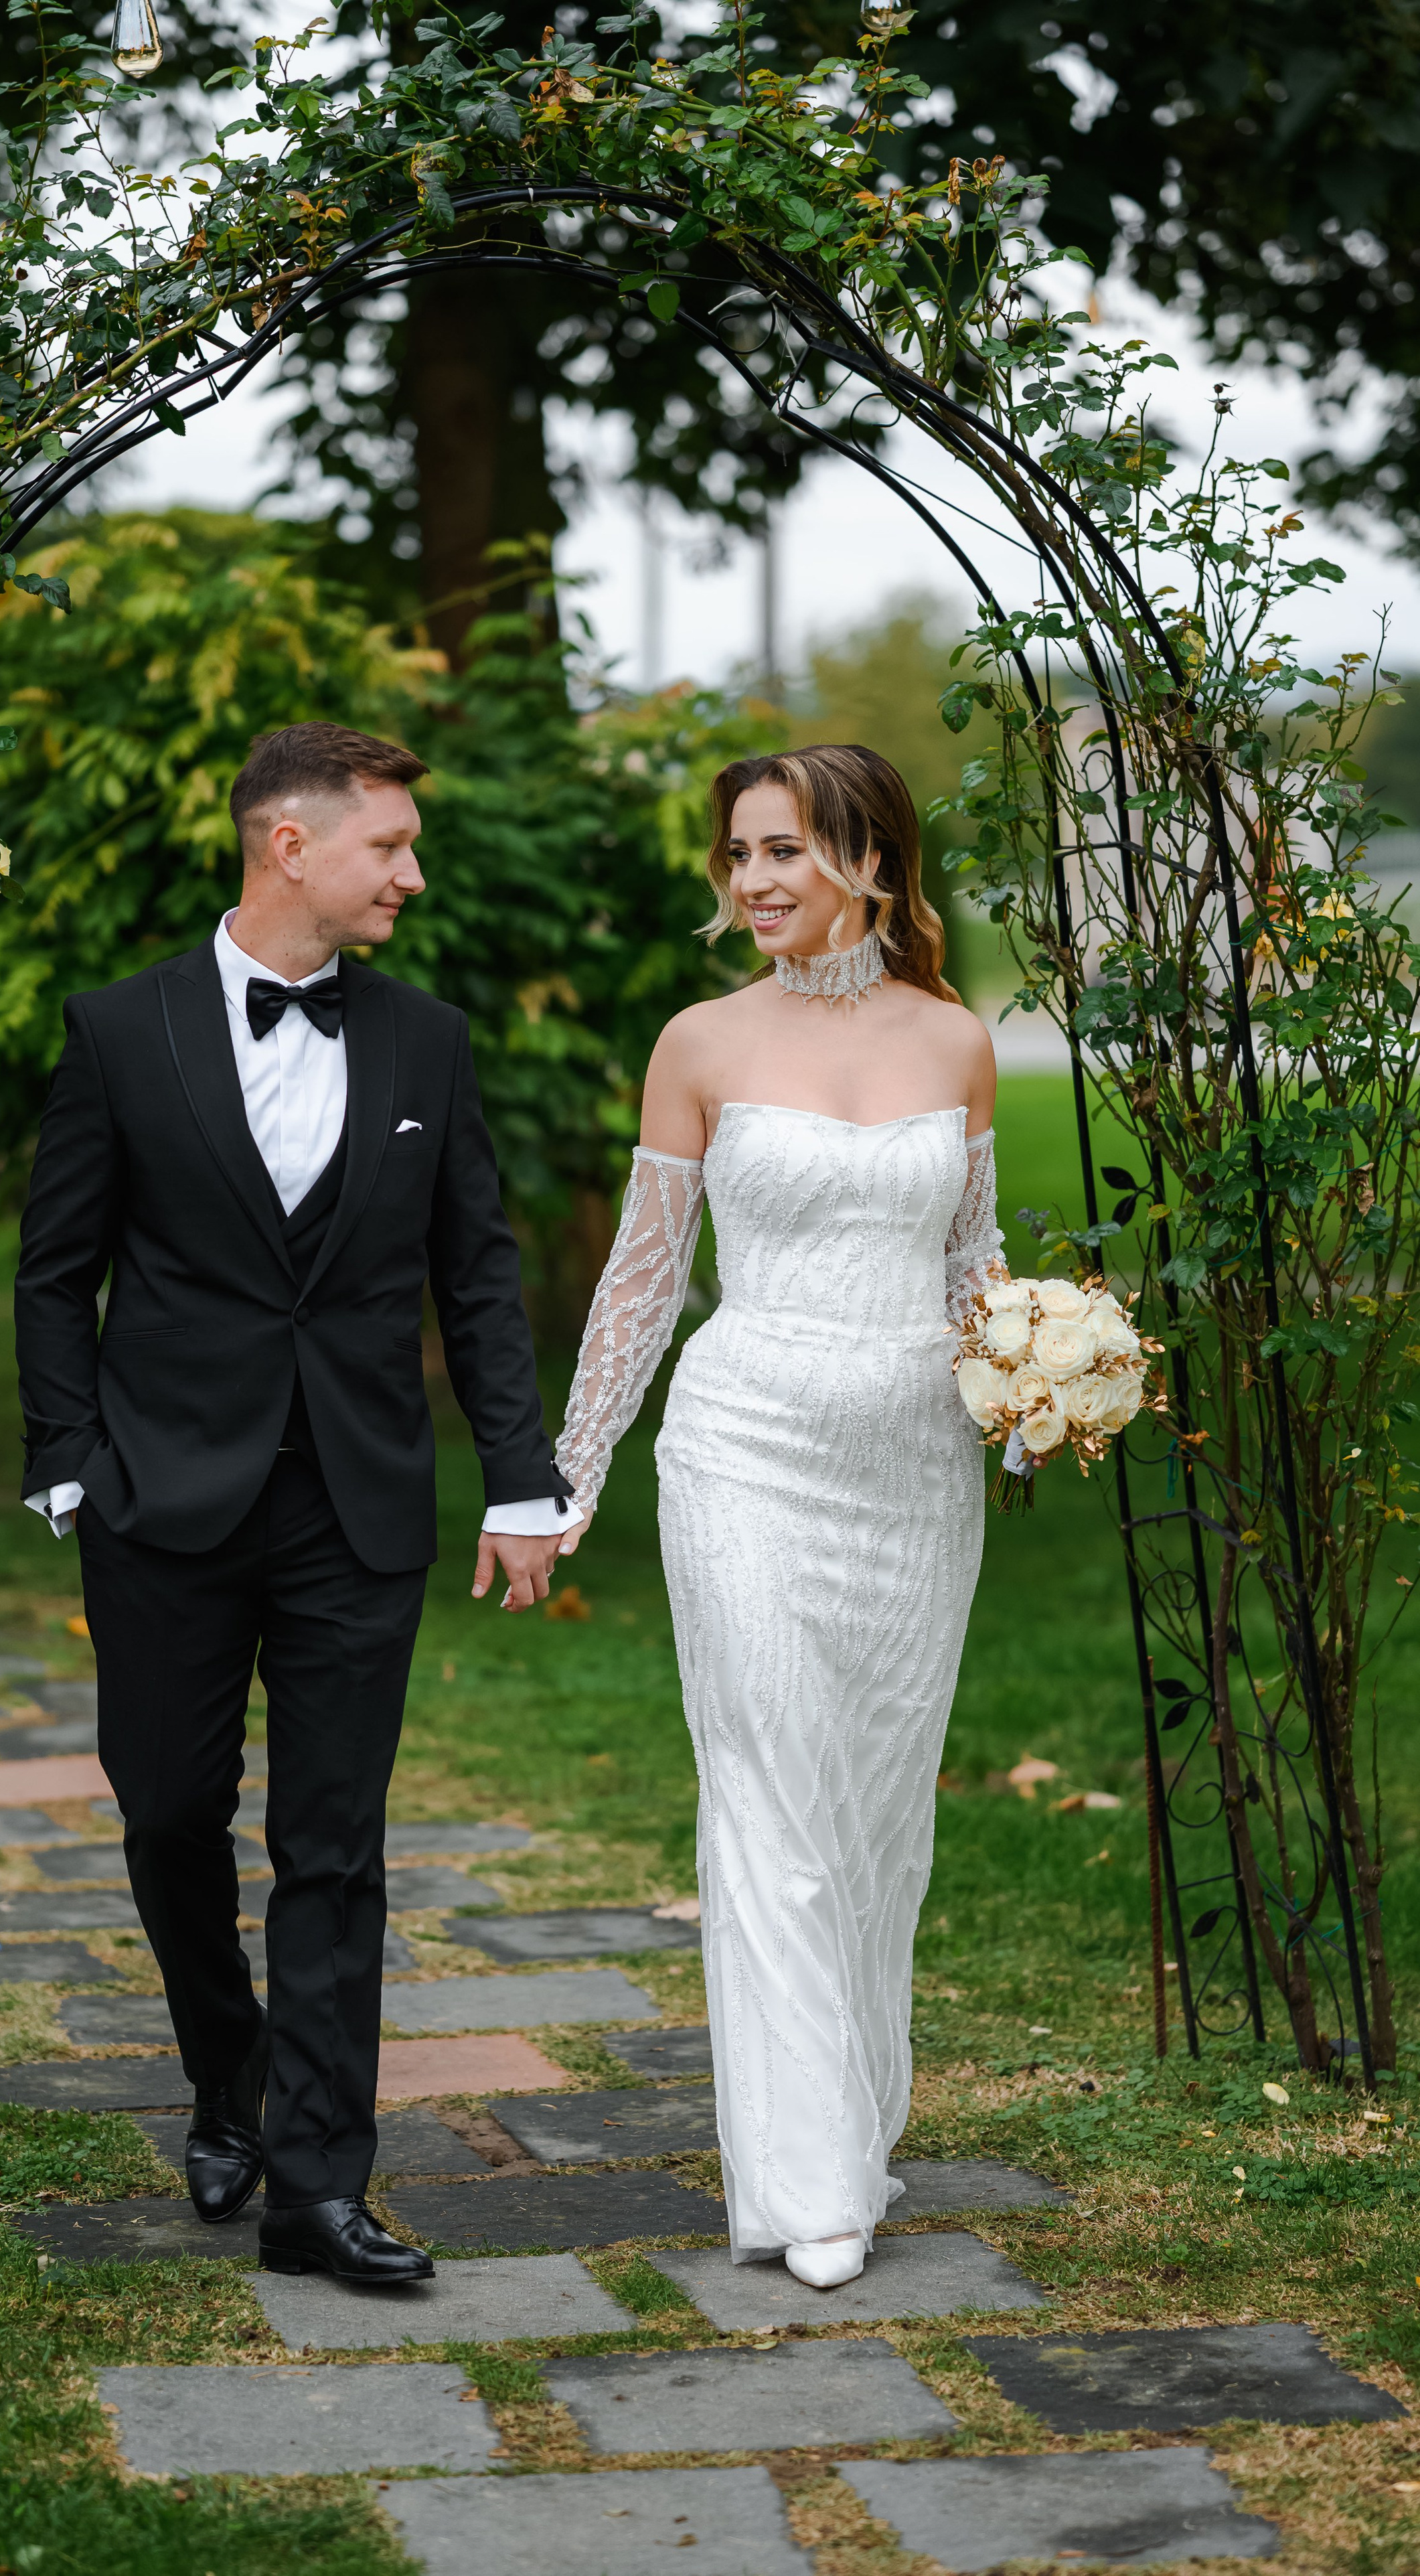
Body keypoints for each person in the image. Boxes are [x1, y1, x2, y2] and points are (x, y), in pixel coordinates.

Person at [13, 720, 579, 2282]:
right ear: (291, 845)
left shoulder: (426, 1041)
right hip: (159, 1498)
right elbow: (57, 1269)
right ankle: (230, 2075)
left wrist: (520, 1480)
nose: (411, 873)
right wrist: (68, 1460)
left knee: (333, 1842)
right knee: (167, 1811)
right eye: (388, 845)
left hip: (356, 1503)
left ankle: (317, 2186)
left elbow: (476, 1276)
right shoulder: (119, 1030)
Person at [553, 743, 999, 2290]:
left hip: (913, 1468)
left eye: (782, 850)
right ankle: (806, 2184)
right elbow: (641, 1276)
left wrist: (1035, 1388)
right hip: (743, 1445)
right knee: (767, 1793)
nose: (750, 879)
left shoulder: (954, 1042)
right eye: (737, 853)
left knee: (873, 1816)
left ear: (867, 859)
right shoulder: (699, 1041)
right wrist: (572, 1471)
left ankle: (850, 2125)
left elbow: (970, 1266)